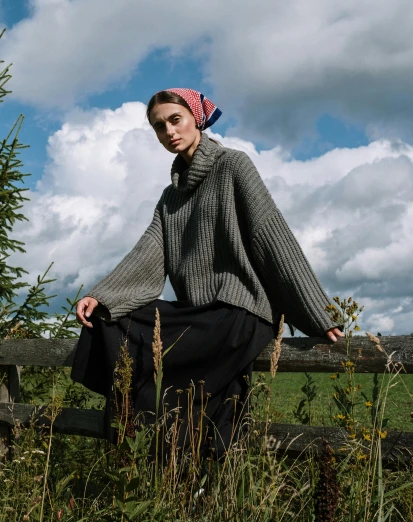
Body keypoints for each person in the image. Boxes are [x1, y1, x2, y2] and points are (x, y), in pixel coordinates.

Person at [69, 88, 344, 467]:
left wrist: (318, 312)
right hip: (199, 315)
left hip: (239, 312)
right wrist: (102, 296)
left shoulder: (234, 166)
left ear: (196, 117)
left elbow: (270, 234)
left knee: (174, 387)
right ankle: (172, 476)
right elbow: (149, 251)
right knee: (117, 322)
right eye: (158, 127)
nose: (168, 132)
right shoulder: (170, 197)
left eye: (174, 120)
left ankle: (184, 472)